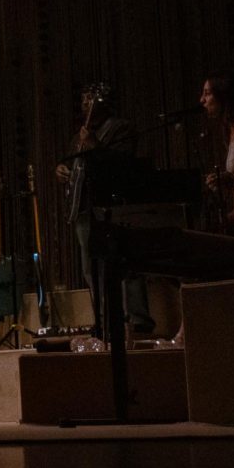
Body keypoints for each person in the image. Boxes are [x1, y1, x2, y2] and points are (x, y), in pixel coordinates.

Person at [55, 83, 154, 337]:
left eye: (91, 100)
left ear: (104, 103)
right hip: (84, 208)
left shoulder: (121, 128)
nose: (85, 105)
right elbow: (74, 164)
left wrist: (95, 144)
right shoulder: (79, 135)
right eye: (83, 100)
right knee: (91, 268)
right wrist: (62, 170)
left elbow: (122, 164)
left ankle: (138, 320)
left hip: (113, 205)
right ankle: (106, 321)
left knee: (127, 263)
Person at [201, 70, 234, 239]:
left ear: (225, 96)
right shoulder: (231, 128)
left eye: (207, 94)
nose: (202, 100)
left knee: (217, 233)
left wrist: (233, 179)